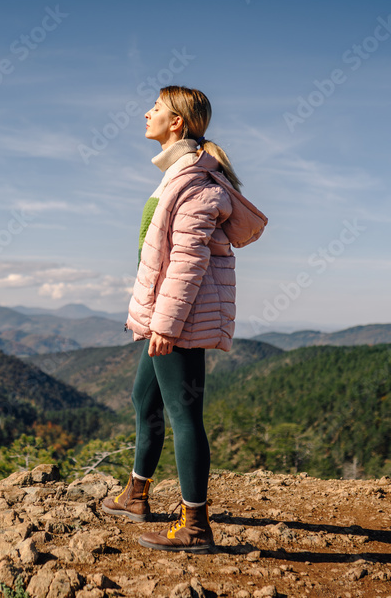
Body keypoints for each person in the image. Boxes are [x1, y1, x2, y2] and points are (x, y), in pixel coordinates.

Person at [101, 85, 268, 553]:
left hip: (180, 319)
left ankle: (195, 527)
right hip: (166, 314)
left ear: (176, 123)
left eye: (155, 108)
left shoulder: (195, 183)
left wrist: (166, 325)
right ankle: (136, 495)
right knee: (143, 399)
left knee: (183, 413)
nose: (146, 113)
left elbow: (187, 263)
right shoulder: (177, 175)